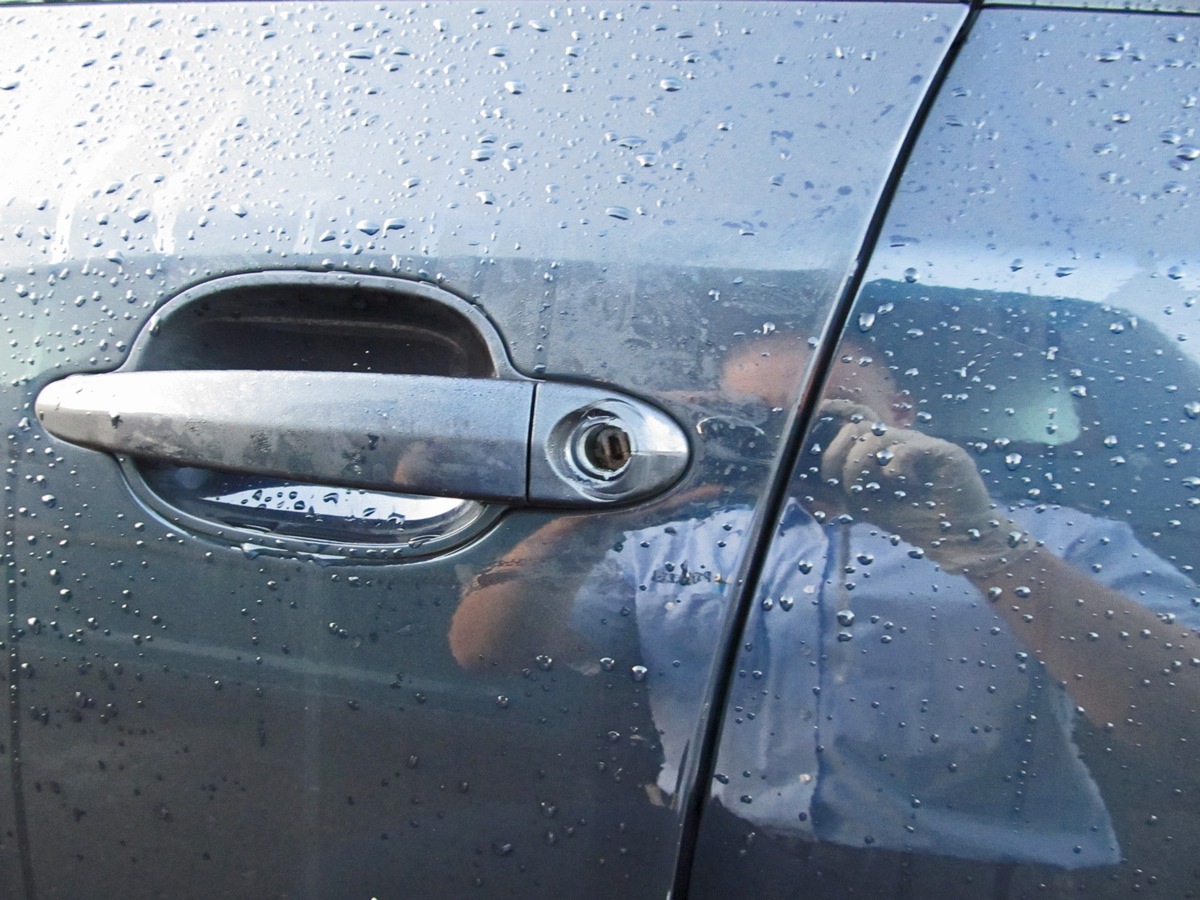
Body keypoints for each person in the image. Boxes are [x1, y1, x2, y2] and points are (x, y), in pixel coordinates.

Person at [450, 333, 1200, 876]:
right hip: (702, 855)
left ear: (901, 412)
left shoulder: (1052, 540)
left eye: (827, 415)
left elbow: (1186, 730)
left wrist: (984, 548)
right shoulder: (675, 540)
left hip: (976, 875)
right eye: (758, 419)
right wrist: (603, 504)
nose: (791, 441)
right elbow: (483, 650)